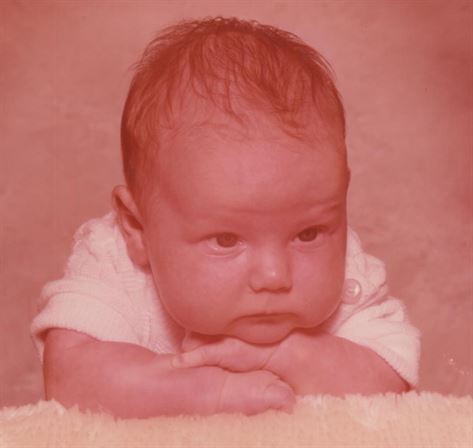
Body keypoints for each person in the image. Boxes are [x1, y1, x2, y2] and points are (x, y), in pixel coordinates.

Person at [31, 17, 420, 418]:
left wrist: (285, 355)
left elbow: (391, 387)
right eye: (226, 240)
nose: (274, 276)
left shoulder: (348, 272)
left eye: (307, 234)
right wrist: (208, 392)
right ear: (137, 229)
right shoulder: (116, 264)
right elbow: (69, 378)